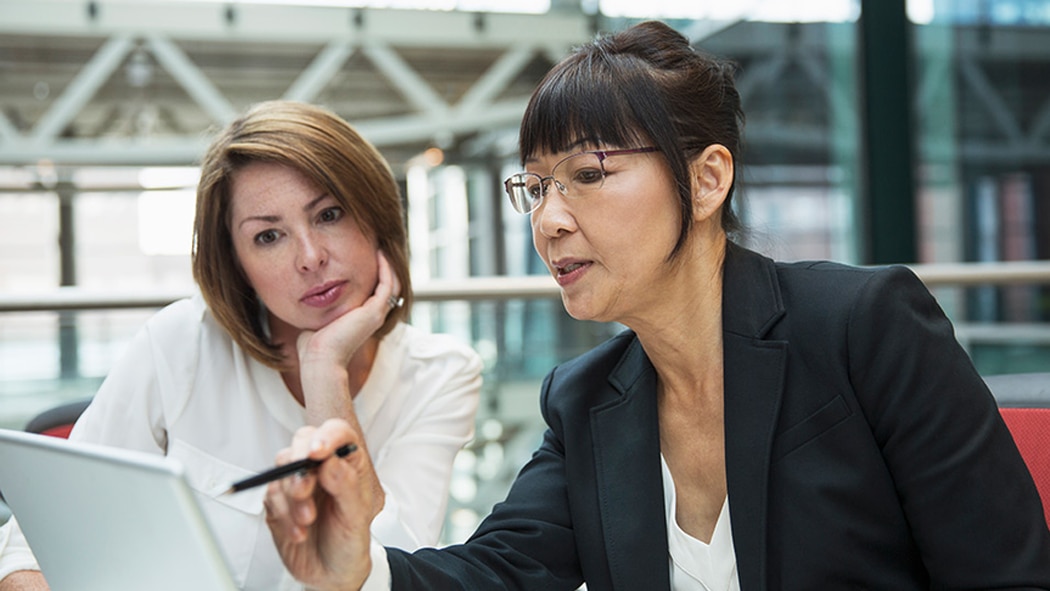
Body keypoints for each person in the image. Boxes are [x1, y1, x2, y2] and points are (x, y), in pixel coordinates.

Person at [263, 21, 1050, 591]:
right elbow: (497, 571)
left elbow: (1007, 571)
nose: (549, 218)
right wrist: (356, 573)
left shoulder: (862, 325)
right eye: (535, 186)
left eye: (589, 174)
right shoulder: (587, 400)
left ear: (707, 180)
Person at [0, 100, 482, 591]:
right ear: (237, 265)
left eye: (330, 214)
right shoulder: (181, 341)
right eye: (269, 236)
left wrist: (324, 370)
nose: (311, 258)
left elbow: (386, 572)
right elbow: (28, 552)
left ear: (376, 214)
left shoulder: (441, 374)